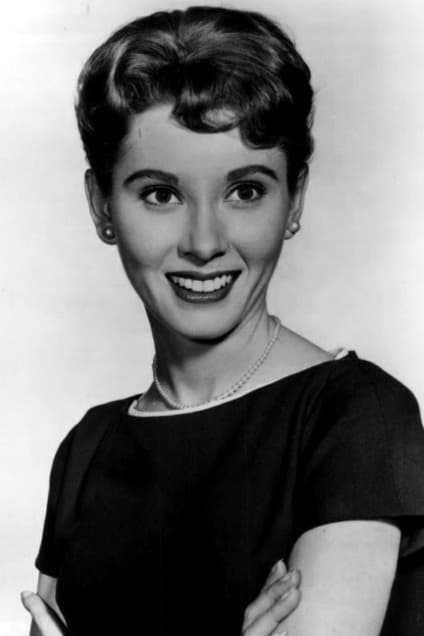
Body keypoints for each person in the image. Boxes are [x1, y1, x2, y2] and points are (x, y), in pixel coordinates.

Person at [21, 5, 424, 636]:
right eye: (161, 194)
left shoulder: (356, 418)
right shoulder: (87, 449)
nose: (205, 243)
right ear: (102, 205)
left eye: (246, 191)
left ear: (295, 198)